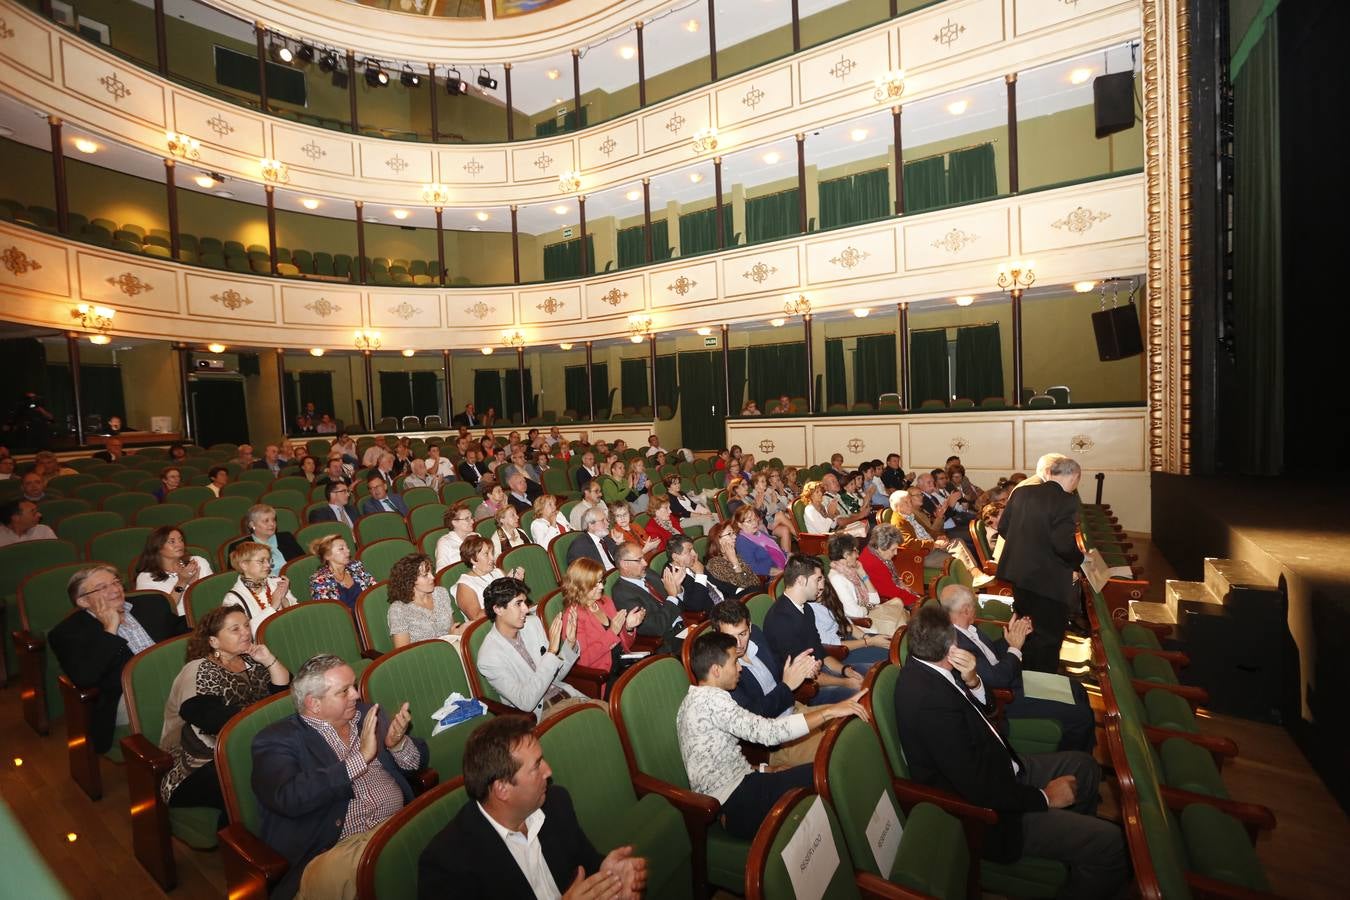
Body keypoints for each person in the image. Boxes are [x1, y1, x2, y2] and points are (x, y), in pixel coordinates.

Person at [892, 605, 1126, 898]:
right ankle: (1078, 855)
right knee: (1111, 843)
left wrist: (974, 681)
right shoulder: (928, 701)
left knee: (1085, 768)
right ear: (951, 647)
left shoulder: (932, 666)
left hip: (1002, 767)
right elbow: (975, 785)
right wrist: (1045, 798)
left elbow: (988, 709)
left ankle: (1071, 848)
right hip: (993, 812)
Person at [252, 653, 427, 900]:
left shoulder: (367, 715)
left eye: (353, 686)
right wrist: (360, 759)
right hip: (336, 849)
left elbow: (417, 764)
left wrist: (398, 745)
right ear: (314, 704)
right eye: (344, 691)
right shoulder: (277, 740)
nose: (356, 694)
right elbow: (288, 797)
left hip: (397, 826)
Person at [416, 716, 648, 900]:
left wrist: (607, 875)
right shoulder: (447, 864)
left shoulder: (556, 803)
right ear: (502, 789)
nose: (548, 771)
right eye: (536, 766)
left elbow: (583, 865)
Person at [676, 631, 866, 839]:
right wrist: (829, 712)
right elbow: (769, 732)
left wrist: (767, 769)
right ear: (716, 670)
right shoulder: (713, 702)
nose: (740, 668)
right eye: (734, 662)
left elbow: (719, 761)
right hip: (736, 802)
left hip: (742, 787)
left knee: (822, 772)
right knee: (830, 772)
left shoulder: (693, 700)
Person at [159, 607, 290, 818]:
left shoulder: (250, 660)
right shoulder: (199, 669)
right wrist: (265, 718)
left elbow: (285, 694)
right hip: (197, 764)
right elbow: (208, 718)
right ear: (213, 641)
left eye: (247, 626)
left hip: (249, 745)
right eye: (235, 629)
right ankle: (245, 842)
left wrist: (269, 660)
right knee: (259, 782)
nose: (246, 633)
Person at [48, 565, 189, 754]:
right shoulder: (68, 633)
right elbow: (85, 678)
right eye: (103, 587)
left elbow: (182, 631)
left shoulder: (152, 604)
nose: (115, 589)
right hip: (126, 696)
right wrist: (110, 629)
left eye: (116, 582)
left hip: (176, 677)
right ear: (83, 601)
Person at [939, 584, 1095, 752]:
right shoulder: (955, 644)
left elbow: (991, 656)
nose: (976, 608)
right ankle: (1076, 763)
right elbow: (998, 680)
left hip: (1014, 679)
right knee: (1081, 715)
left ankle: (1085, 746)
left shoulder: (967, 627)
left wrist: (1010, 639)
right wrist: (1015, 648)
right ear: (966, 610)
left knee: (1077, 689)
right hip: (1005, 698)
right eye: (974, 605)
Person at [996, 456, 1085, 673]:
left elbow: (1003, 528)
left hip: (1019, 574)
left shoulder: (1022, 492)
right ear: (1073, 476)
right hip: (1048, 581)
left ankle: (1022, 670)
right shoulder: (1066, 500)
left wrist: (1028, 549)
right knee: (1049, 636)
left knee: (1025, 626)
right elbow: (1063, 546)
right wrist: (1080, 559)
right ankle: (1043, 683)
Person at [709, 600, 825, 766]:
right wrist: (787, 687)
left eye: (742, 634)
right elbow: (753, 715)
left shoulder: (755, 636)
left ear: (749, 627)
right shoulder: (721, 672)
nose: (738, 644)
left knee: (848, 722)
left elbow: (779, 670)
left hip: (795, 709)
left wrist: (801, 670)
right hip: (776, 737)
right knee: (833, 754)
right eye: (729, 637)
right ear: (717, 635)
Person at [477, 577, 586, 720]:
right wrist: (552, 652)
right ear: (498, 609)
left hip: (567, 696)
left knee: (610, 714)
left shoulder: (532, 624)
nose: (526, 609)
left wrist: (570, 644)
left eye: (525, 602)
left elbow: (555, 676)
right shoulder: (489, 657)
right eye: (518, 604)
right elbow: (526, 701)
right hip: (541, 715)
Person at [763, 555, 867, 705]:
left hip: (822, 673)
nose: (821, 586)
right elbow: (802, 674)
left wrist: (845, 670)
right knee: (864, 693)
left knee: (873, 673)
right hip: (807, 689)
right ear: (801, 580)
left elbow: (821, 653)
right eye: (817, 579)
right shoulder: (780, 620)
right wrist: (844, 682)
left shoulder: (806, 609)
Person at [559, 557, 643, 689]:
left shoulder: (605, 602)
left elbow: (625, 645)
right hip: (604, 676)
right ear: (582, 584)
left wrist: (628, 628)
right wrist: (612, 633)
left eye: (601, 581)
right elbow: (583, 660)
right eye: (596, 583)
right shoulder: (573, 615)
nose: (602, 586)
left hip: (623, 663)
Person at [610, 542, 686, 655]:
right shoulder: (622, 593)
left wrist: (677, 588)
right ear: (624, 564)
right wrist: (672, 596)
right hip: (668, 641)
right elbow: (657, 627)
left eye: (643, 558)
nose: (645, 563)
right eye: (639, 560)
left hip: (683, 625)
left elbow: (676, 605)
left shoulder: (648, 574)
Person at [826, 533, 907, 636]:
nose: (858, 555)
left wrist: (862, 572)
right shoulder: (837, 579)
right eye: (855, 551)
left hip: (868, 612)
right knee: (901, 621)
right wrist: (869, 607)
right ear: (846, 555)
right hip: (862, 624)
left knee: (898, 603)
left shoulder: (851, 572)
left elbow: (875, 599)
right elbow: (855, 613)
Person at [387, 553, 467, 647]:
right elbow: (404, 652)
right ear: (410, 581)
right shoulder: (398, 610)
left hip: (451, 648)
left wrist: (454, 633)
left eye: (431, 572)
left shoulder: (440, 593)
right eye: (425, 575)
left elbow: (451, 628)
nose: (432, 577)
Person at [133, 526, 214, 615]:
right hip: (177, 623)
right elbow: (162, 612)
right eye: (172, 542)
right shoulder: (146, 578)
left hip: (207, 615)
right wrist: (182, 582)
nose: (179, 544)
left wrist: (195, 585)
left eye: (181, 540)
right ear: (158, 547)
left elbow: (213, 596)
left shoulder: (198, 562)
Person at [224, 541, 299, 627]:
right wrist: (273, 606)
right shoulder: (233, 599)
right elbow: (244, 632)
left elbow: (298, 616)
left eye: (268, 560)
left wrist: (284, 600)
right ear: (244, 565)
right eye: (261, 561)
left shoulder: (277, 583)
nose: (268, 565)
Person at [456, 534, 522, 621]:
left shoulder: (498, 572)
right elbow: (476, 617)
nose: (492, 558)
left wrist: (516, 584)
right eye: (486, 554)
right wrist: (503, 596)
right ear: (473, 559)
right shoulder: (465, 585)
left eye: (492, 553)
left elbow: (515, 600)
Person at [857, 524, 924, 608]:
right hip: (887, 603)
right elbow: (891, 594)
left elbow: (892, 580)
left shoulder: (875, 551)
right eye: (893, 550)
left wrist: (901, 584)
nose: (896, 553)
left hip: (894, 594)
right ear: (881, 547)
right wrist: (918, 600)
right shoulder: (873, 563)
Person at [227, 504, 304, 575]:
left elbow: (302, 561)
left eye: (273, 520)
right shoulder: (240, 547)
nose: (272, 524)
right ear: (252, 525)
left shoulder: (286, 537)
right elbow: (237, 576)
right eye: (266, 521)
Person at [308, 534, 376, 610]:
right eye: (341, 549)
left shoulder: (356, 567)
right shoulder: (320, 581)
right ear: (327, 556)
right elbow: (328, 612)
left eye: (347, 547)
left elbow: (374, 591)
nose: (348, 550)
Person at [665, 534, 722, 614]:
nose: (694, 554)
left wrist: (737, 590)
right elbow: (696, 606)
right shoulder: (672, 576)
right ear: (675, 557)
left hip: (726, 600)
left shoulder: (691, 562)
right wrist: (700, 574)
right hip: (714, 612)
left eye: (693, 549)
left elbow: (716, 583)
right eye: (689, 551)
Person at [703, 521, 762, 599]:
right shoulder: (714, 564)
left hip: (754, 595)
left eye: (734, 533)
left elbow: (755, 581)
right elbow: (742, 587)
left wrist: (734, 559)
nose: (735, 536)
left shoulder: (735, 555)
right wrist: (735, 562)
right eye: (729, 534)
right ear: (718, 539)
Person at [732, 507, 786, 578]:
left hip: (783, 565)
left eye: (755, 519)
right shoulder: (742, 542)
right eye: (749, 521)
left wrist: (789, 556)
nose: (754, 523)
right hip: (772, 577)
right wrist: (783, 573)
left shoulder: (758, 532)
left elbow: (777, 550)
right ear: (739, 524)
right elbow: (753, 567)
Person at [566, 506, 618, 571]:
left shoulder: (607, 538)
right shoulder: (579, 546)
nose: (607, 523)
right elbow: (579, 574)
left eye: (607, 520)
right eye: (602, 521)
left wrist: (619, 544)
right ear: (591, 525)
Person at [434, 503, 476, 572]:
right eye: (467, 519)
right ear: (454, 522)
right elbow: (441, 571)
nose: (472, 521)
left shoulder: (476, 536)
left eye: (471, 517)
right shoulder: (444, 542)